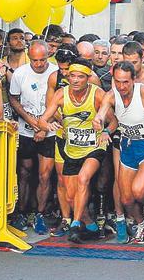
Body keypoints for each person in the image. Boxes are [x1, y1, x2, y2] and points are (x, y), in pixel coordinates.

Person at [94, 61, 144, 244]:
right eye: (118, 81)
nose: (122, 86)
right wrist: (98, 120)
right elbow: (103, 111)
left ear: (133, 80)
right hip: (128, 145)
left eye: (126, 82)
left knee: (138, 190)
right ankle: (141, 222)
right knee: (126, 198)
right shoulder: (112, 95)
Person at [40, 59, 112, 244]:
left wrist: (105, 130)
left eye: (81, 77)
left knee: (83, 179)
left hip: (95, 146)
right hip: (72, 148)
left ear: (88, 78)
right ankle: (91, 227)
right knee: (71, 197)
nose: (76, 80)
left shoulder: (97, 94)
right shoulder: (60, 94)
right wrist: (49, 124)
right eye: (73, 76)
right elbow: (42, 119)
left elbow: (114, 121)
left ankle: (75, 225)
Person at [8, 41, 58, 234]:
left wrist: (44, 127)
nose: (38, 64)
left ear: (48, 56)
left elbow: (58, 102)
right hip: (25, 130)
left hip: (50, 130)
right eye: (35, 60)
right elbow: (14, 98)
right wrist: (30, 120)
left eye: (42, 60)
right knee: (24, 171)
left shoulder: (55, 73)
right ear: (29, 57)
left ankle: (40, 212)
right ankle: (21, 211)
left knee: (45, 174)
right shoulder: (20, 73)